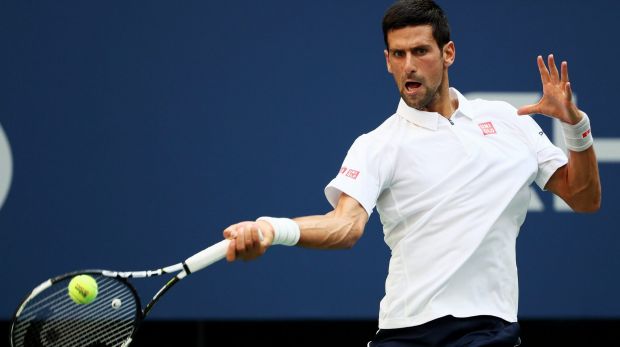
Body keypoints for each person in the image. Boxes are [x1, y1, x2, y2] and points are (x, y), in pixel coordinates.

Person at [221, 0, 601, 345]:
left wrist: (575, 127)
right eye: (398, 54)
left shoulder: (507, 120)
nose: (409, 66)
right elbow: (345, 226)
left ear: (448, 53)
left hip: (489, 329)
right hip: (407, 332)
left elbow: (582, 197)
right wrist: (273, 228)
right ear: (387, 60)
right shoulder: (377, 144)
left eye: (420, 51)